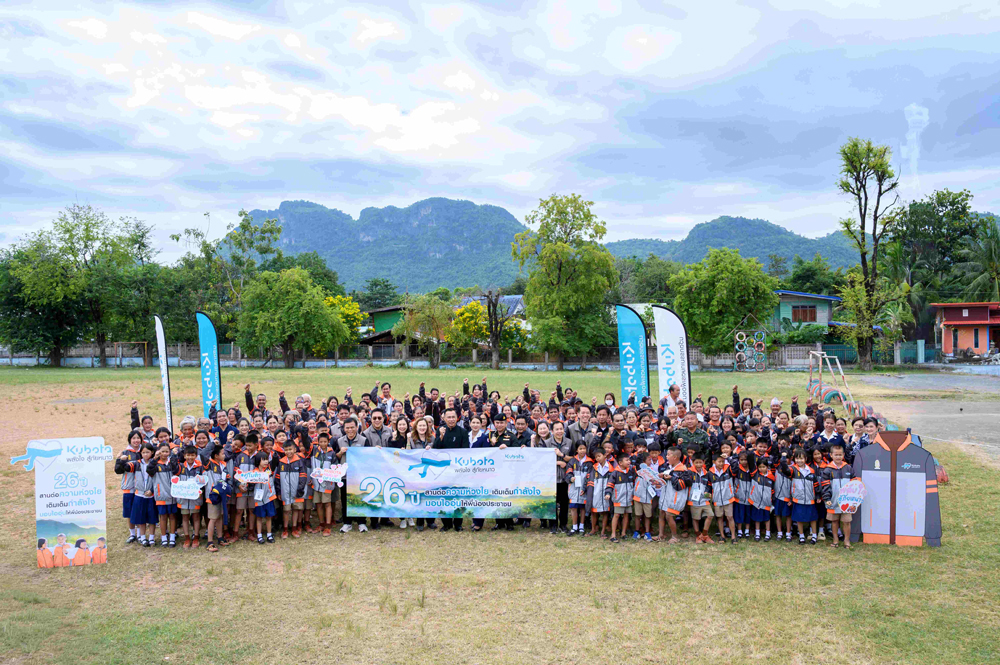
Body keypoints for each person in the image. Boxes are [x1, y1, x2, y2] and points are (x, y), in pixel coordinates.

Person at [433, 408, 469, 532]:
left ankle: (458, 524)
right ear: (444, 418)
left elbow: (465, 451)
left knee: (458, 498)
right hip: (443, 471)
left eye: (453, 417)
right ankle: (446, 523)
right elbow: (435, 449)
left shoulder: (463, 432)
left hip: (458, 471)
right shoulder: (440, 430)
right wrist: (441, 437)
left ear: (457, 417)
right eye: (448, 417)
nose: (451, 419)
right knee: (444, 497)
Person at [116, 443, 158, 547]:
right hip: (139, 495)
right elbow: (124, 467)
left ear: (152, 452)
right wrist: (121, 459)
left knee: (152, 518)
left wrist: (152, 490)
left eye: (148, 452)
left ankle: (152, 538)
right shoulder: (136, 464)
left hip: (151, 495)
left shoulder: (155, 464)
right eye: (143, 452)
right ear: (141, 453)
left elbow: (157, 480)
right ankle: (143, 538)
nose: (145, 454)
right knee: (141, 518)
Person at [821, 443, 855, 549]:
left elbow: (854, 484)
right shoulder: (827, 470)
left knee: (846, 521)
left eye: (840, 455)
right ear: (831, 455)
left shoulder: (848, 468)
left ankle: (846, 540)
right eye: (836, 455)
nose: (838, 457)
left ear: (843, 455)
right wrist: (827, 499)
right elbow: (825, 486)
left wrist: (854, 499)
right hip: (833, 500)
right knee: (834, 521)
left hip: (847, 501)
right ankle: (835, 540)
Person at [275, 438, 308, 538]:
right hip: (285, 492)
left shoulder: (299, 461)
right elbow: (277, 478)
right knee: (286, 510)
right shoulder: (281, 462)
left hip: (297, 491)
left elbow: (303, 476)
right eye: (286, 449)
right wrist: (279, 491)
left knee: (296, 509)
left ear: (294, 449)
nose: (288, 451)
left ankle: (294, 528)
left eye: (290, 449)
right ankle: (285, 529)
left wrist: (300, 489)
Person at [657, 447, 691, 544]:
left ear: (675, 457)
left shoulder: (683, 470)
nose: (666, 457)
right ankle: (661, 535)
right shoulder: (669, 467)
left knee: (669, 516)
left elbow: (681, 485)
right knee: (661, 513)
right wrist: (662, 477)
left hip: (675, 498)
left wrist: (671, 478)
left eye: (668, 455)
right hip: (665, 496)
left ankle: (674, 536)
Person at [788, 448, 820, 545]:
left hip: (810, 499)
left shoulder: (811, 471)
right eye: (797, 458)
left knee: (813, 518)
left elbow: (816, 485)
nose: (799, 460)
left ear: (805, 459)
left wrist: (818, 496)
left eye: (801, 458)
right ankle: (801, 536)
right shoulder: (792, 469)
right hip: (798, 499)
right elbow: (785, 470)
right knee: (799, 518)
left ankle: (814, 535)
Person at [119, 430, 143, 544]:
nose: (136, 440)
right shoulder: (125, 452)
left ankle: (139, 534)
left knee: (138, 511)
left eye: (138, 438)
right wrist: (120, 460)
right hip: (129, 486)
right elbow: (117, 470)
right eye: (133, 438)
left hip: (141, 487)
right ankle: (132, 534)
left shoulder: (144, 451)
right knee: (129, 512)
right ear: (130, 440)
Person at [203, 444, 229, 552]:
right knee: (213, 519)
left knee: (219, 518)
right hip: (212, 496)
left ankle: (220, 538)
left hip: (221, 496)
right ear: (216, 455)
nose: (224, 455)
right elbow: (203, 454)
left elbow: (227, 479)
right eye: (222, 453)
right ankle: (209, 542)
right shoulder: (208, 464)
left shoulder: (223, 465)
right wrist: (213, 443)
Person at [708, 452, 737, 544]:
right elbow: (708, 487)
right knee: (719, 517)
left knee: (730, 517)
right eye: (719, 461)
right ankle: (722, 536)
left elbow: (735, 467)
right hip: (717, 500)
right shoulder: (710, 473)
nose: (721, 463)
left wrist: (728, 458)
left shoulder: (728, 469)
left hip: (728, 498)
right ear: (714, 462)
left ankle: (733, 536)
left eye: (722, 461)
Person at [606, 452, 634, 543]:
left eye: (629, 460)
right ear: (620, 463)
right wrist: (608, 493)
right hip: (618, 498)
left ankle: (623, 533)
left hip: (628, 498)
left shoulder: (631, 471)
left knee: (626, 515)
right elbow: (610, 484)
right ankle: (613, 534)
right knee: (616, 515)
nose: (629, 462)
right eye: (626, 460)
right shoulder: (615, 473)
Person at [565, 443, 591, 535]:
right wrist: (570, 478)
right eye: (580, 448)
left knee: (583, 508)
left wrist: (585, 487)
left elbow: (589, 476)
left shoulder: (590, 462)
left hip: (584, 489)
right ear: (576, 450)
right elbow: (568, 472)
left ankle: (581, 526)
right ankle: (574, 526)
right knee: (573, 507)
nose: (582, 450)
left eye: (584, 448)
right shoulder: (572, 461)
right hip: (573, 488)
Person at [251, 452, 277, 543]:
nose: (266, 462)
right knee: (259, 517)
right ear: (258, 461)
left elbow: (275, 462)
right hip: (258, 498)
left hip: (269, 497)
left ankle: (269, 535)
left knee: (269, 516)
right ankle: (259, 535)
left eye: (267, 459)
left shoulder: (269, 470)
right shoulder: (254, 472)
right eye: (263, 460)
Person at [687, 455, 714, 544]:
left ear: (703, 462)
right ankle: (698, 535)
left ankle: (704, 534)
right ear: (693, 462)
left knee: (710, 515)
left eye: (700, 462)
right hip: (693, 500)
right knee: (695, 518)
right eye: (696, 462)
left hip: (704, 499)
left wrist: (708, 493)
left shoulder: (707, 473)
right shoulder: (689, 472)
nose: (698, 465)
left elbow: (709, 485)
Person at [749, 459, 775, 541]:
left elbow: (773, 490)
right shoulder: (755, 474)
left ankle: (768, 533)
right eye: (760, 467)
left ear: (767, 467)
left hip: (766, 502)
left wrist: (772, 500)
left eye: (764, 467)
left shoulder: (771, 477)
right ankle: (757, 533)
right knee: (757, 519)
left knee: (767, 519)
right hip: (756, 501)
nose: (762, 469)